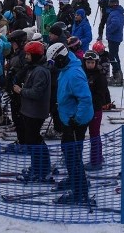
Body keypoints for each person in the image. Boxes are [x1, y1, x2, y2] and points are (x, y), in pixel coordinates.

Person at [48, 42, 93, 204]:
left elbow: (86, 99)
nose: (53, 66)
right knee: (70, 155)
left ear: (61, 59)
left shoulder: (74, 73)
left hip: (75, 123)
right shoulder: (67, 68)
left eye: (53, 62)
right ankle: (75, 181)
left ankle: (80, 192)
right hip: (69, 119)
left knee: (73, 157)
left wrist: (77, 119)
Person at [14, 40, 53, 182]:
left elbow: (37, 93)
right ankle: (38, 167)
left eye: (29, 55)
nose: (26, 57)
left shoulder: (40, 71)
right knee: (34, 140)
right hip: (30, 110)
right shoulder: (34, 68)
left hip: (35, 112)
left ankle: (41, 169)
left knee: (34, 140)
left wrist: (21, 91)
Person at [83, 50, 110, 170]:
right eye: (88, 62)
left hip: (95, 108)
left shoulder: (99, 76)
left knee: (94, 133)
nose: (89, 65)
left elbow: (101, 93)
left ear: (96, 62)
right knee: (89, 133)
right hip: (84, 108)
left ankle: (96, 161)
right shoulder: (82, 73)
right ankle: (97, 156)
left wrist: (92, 101)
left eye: (92, 62)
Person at [105, 0, 124, 86]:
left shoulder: (114, 13)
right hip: (116, 37)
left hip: (114, 37)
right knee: (114, 55)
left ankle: (117, 75)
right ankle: (118, 74)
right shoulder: (119, 12)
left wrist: (109, 30)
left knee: (112, 56)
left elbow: (116, 23)